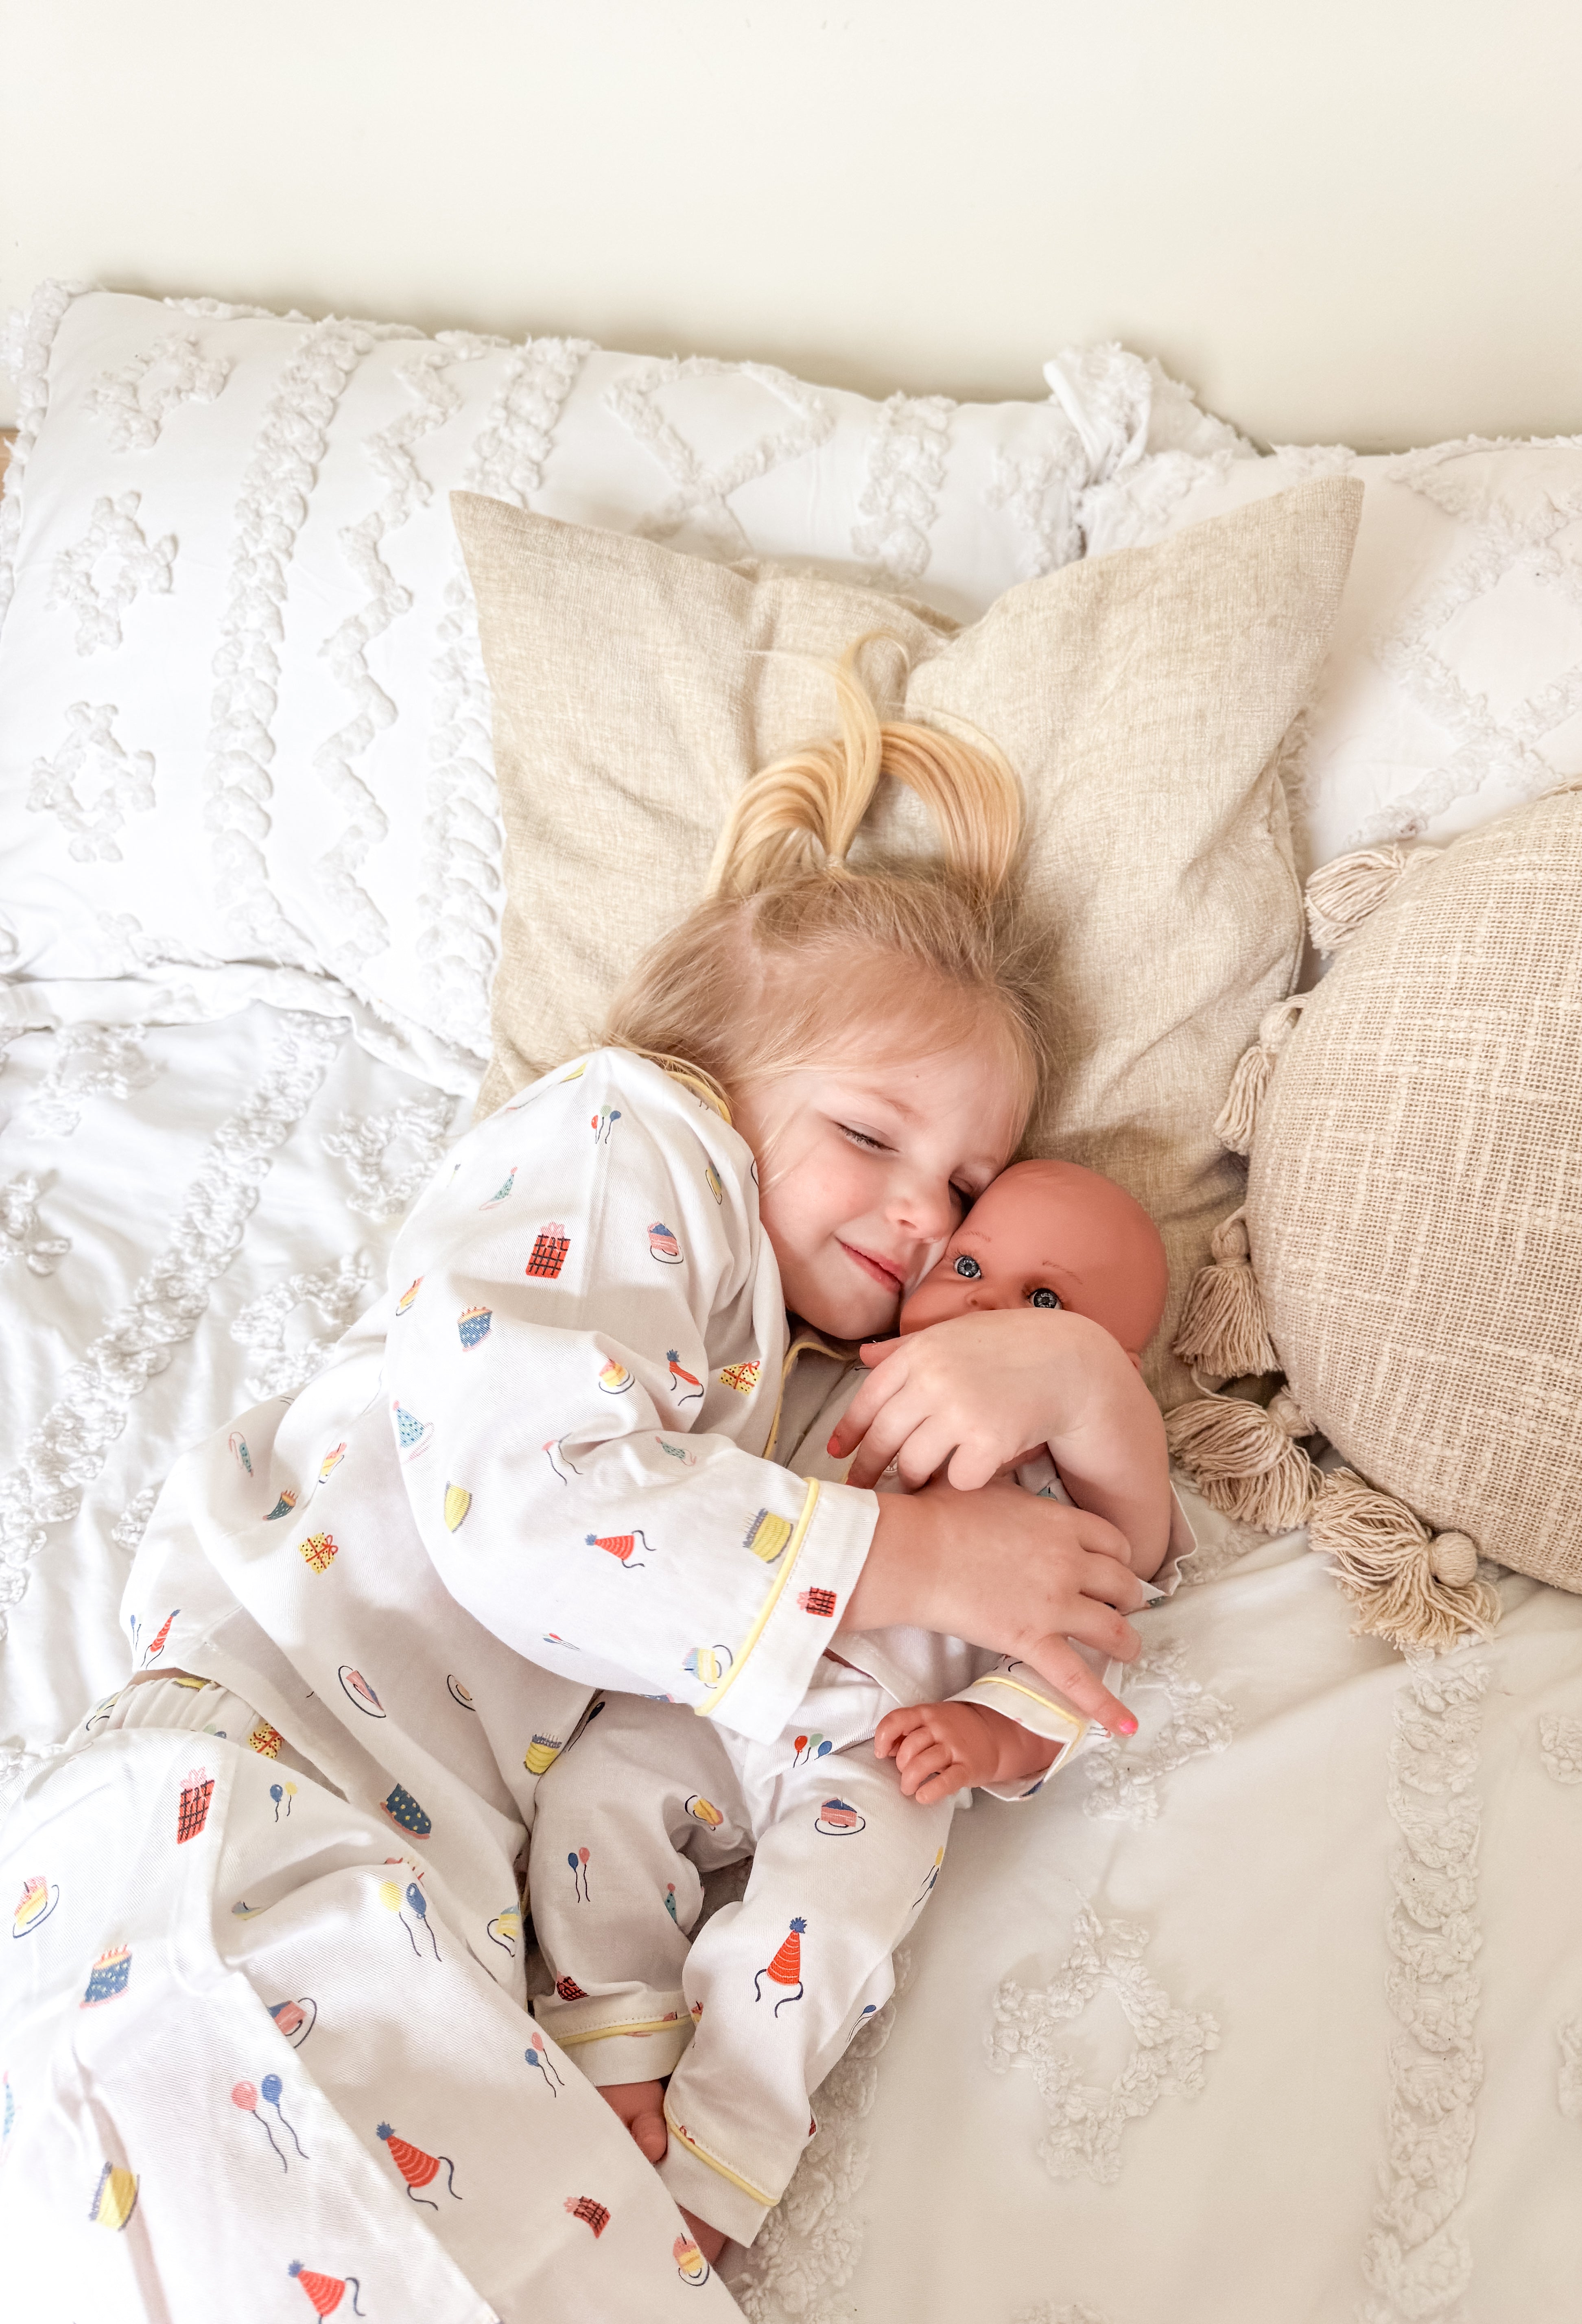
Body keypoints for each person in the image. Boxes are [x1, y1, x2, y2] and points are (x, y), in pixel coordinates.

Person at [0, 644, 1156, 2322]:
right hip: (230, 1821)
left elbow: (1080, 1593)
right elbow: (530, 1509)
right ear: (723, 1075)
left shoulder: (775, 1387)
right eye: (870, 1136)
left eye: (967, 1186)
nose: (923, 1216)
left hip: (401, 1905)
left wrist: (1079, 1382)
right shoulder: (626, 1147)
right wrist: (904, 1555)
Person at [529, 1157, 1191, 2258]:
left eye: (1042, 1303)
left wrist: (985, 1733)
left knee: (825, 1927)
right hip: (722, 1680)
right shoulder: (837, 1377)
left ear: (1111, 1368)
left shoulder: (1061, 1499)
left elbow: (1088, 1644)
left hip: (876, 1747)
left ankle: (721, 2157)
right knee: (594, 1800)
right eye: (967, 1265)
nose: (982, 1304)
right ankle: (616, 2033)